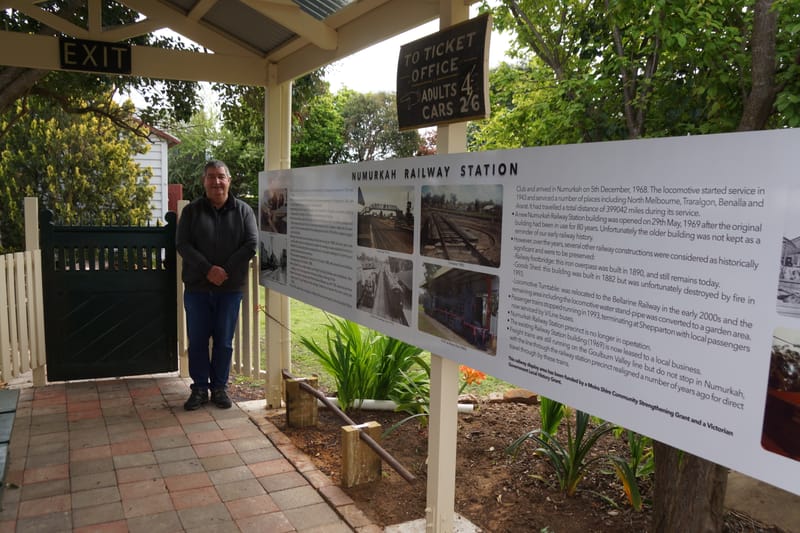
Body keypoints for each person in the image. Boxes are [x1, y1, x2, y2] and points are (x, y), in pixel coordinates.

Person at [176, 160, 258, 410]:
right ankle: (200, 388)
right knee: (198, 340)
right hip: (198, 289)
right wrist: (208, 269)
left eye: (221, 176)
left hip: (230, 290)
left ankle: (220, 388)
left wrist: (225, 271)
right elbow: (183, 244)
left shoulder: (244, 211)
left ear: (229, 180)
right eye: (211, 177)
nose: (216, 182)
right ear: (204, 181)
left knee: (223, 341)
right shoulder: (191, 211)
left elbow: (251, 243)